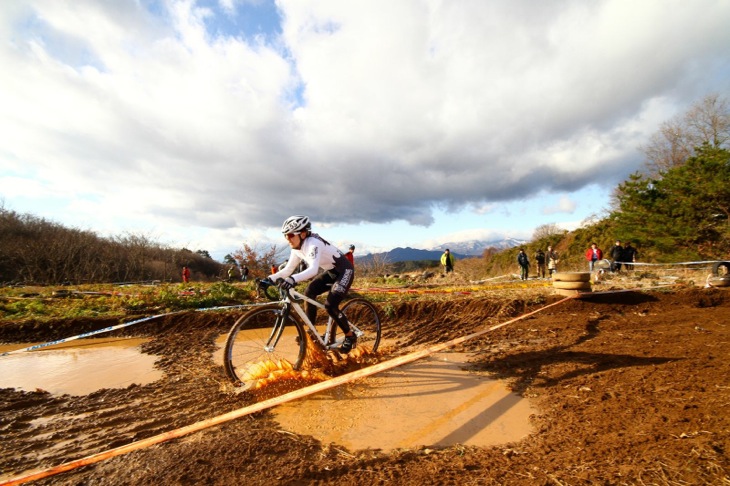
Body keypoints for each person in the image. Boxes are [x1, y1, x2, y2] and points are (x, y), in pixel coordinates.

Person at [268, 216, 357, 353]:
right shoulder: (297, 248)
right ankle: (312, 333)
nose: (288, 239)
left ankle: (350, 336)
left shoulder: (313, 243)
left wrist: (292, 279)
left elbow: (313, 270)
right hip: (332, 272)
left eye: (291, 235)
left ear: (303, 233)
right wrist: (269, 279)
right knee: (309, 292)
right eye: (286, 236)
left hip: (345, 271)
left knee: (330, 305)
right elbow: (288, 269)